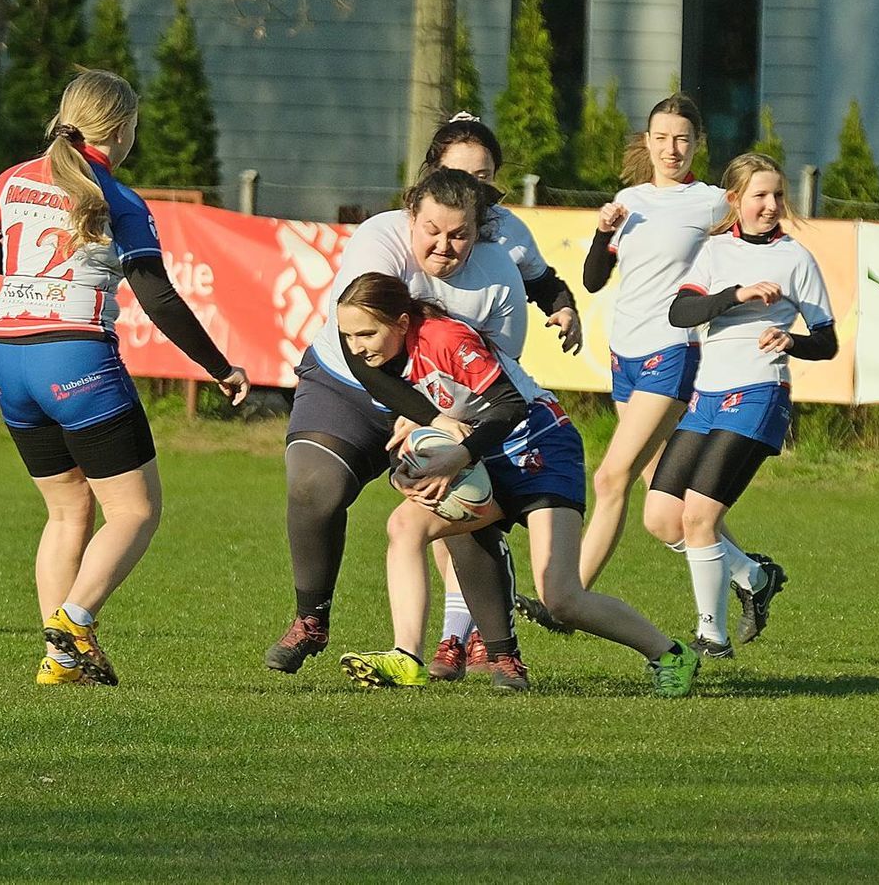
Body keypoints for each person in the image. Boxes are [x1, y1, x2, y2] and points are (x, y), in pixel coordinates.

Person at [0, 69, 249, 686]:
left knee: (66, 511)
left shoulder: (13, 178)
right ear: (121, 130)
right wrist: (220, 369)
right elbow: (159, 298)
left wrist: (24, 258)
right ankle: (75, 621)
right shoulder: (116, 197)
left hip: (8, 356)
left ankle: (61, 662)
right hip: (74, 356)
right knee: (136, 511)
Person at [336, 272, 702, 697]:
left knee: (561, 598)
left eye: (366, 333)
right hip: (479, 450)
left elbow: (510, 406)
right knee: (404, 526)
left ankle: (670, 653)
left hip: (541, 445)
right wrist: (406, 470)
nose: (356, 346)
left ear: (401, 323)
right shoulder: (374, 358)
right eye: (347, 336)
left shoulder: (445, 339)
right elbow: (405, 428)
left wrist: (459, 456)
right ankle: (406, 657)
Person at [264, 168, 531, 675]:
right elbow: (357, 347)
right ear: (412, 215)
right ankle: (310, 619)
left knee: (461, 506)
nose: (444, 245)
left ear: (480, 227)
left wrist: (444, 424)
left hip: (445, 406)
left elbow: (496, 373)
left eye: (459, 234)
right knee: (313, 486)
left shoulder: (499, 273)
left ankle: (500, 655)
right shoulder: (380, 241)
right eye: (432, 230)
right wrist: (424, 414)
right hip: (347, 386)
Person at [642, 153, 837, 657]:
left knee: (699, 519)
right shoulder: (714, 252)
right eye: (760, 195)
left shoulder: (795, 258)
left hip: (758, 394)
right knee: (662, 518)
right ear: (735, 200)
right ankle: (753, 575)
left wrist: (792, 341)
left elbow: (827, 341)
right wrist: (736, 294)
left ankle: (712, 637)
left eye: (777, 196)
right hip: (707, 397)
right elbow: (681, 312)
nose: (771, 205)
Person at [419, 113, 583, 679]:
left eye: (485, 177)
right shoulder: (408, 226)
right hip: (433, 392)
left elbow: (542, 280)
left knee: (466, 507)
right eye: (459, 174)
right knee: (449, 507)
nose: (474, 188)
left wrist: (563, 305)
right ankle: (454, 635)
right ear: (430, 176)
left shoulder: (506, 230)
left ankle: (482, 638)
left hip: (489, 391)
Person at [580, 94, 759, 597]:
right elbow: (594, 280)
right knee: (663, 496)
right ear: (648, 141)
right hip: (625, 357)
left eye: (682, 138)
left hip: (674, 351)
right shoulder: (629, 201)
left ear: (698, 144)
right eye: (661, 138)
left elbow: (759, 247)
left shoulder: (712, 202)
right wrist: (601, 233)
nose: (671, 148)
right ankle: (753, 576)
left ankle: (567, 595)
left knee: (611, 477)